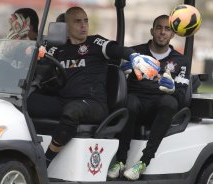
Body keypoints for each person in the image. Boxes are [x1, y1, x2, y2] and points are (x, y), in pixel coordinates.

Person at [27, 6, 160, 167]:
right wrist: (31, 51)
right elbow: (38, 57)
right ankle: (22, 152)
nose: (84, 25)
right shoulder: (58, 49)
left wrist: (133, 56)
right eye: (77, 22)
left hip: (94, 104)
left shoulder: (95, 43)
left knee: (72, 110)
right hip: (64, 100)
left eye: (86, 21)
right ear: (66, 27)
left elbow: (115, 49)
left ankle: (44, 162)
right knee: (26, 102)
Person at [107, 14, 190, 181]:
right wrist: (123, 73)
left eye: (167, 29)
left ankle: (143, 162)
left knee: (169, 102)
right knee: (130, 101)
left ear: (172, 34)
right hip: (136, 106)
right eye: (159, 27)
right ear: (152, 31)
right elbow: (118, 85)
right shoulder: (136, 53)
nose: (162, 32)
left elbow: (181, 98)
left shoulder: (181, 61)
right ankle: (121, 160)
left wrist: (173, 89)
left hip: (160, 111)